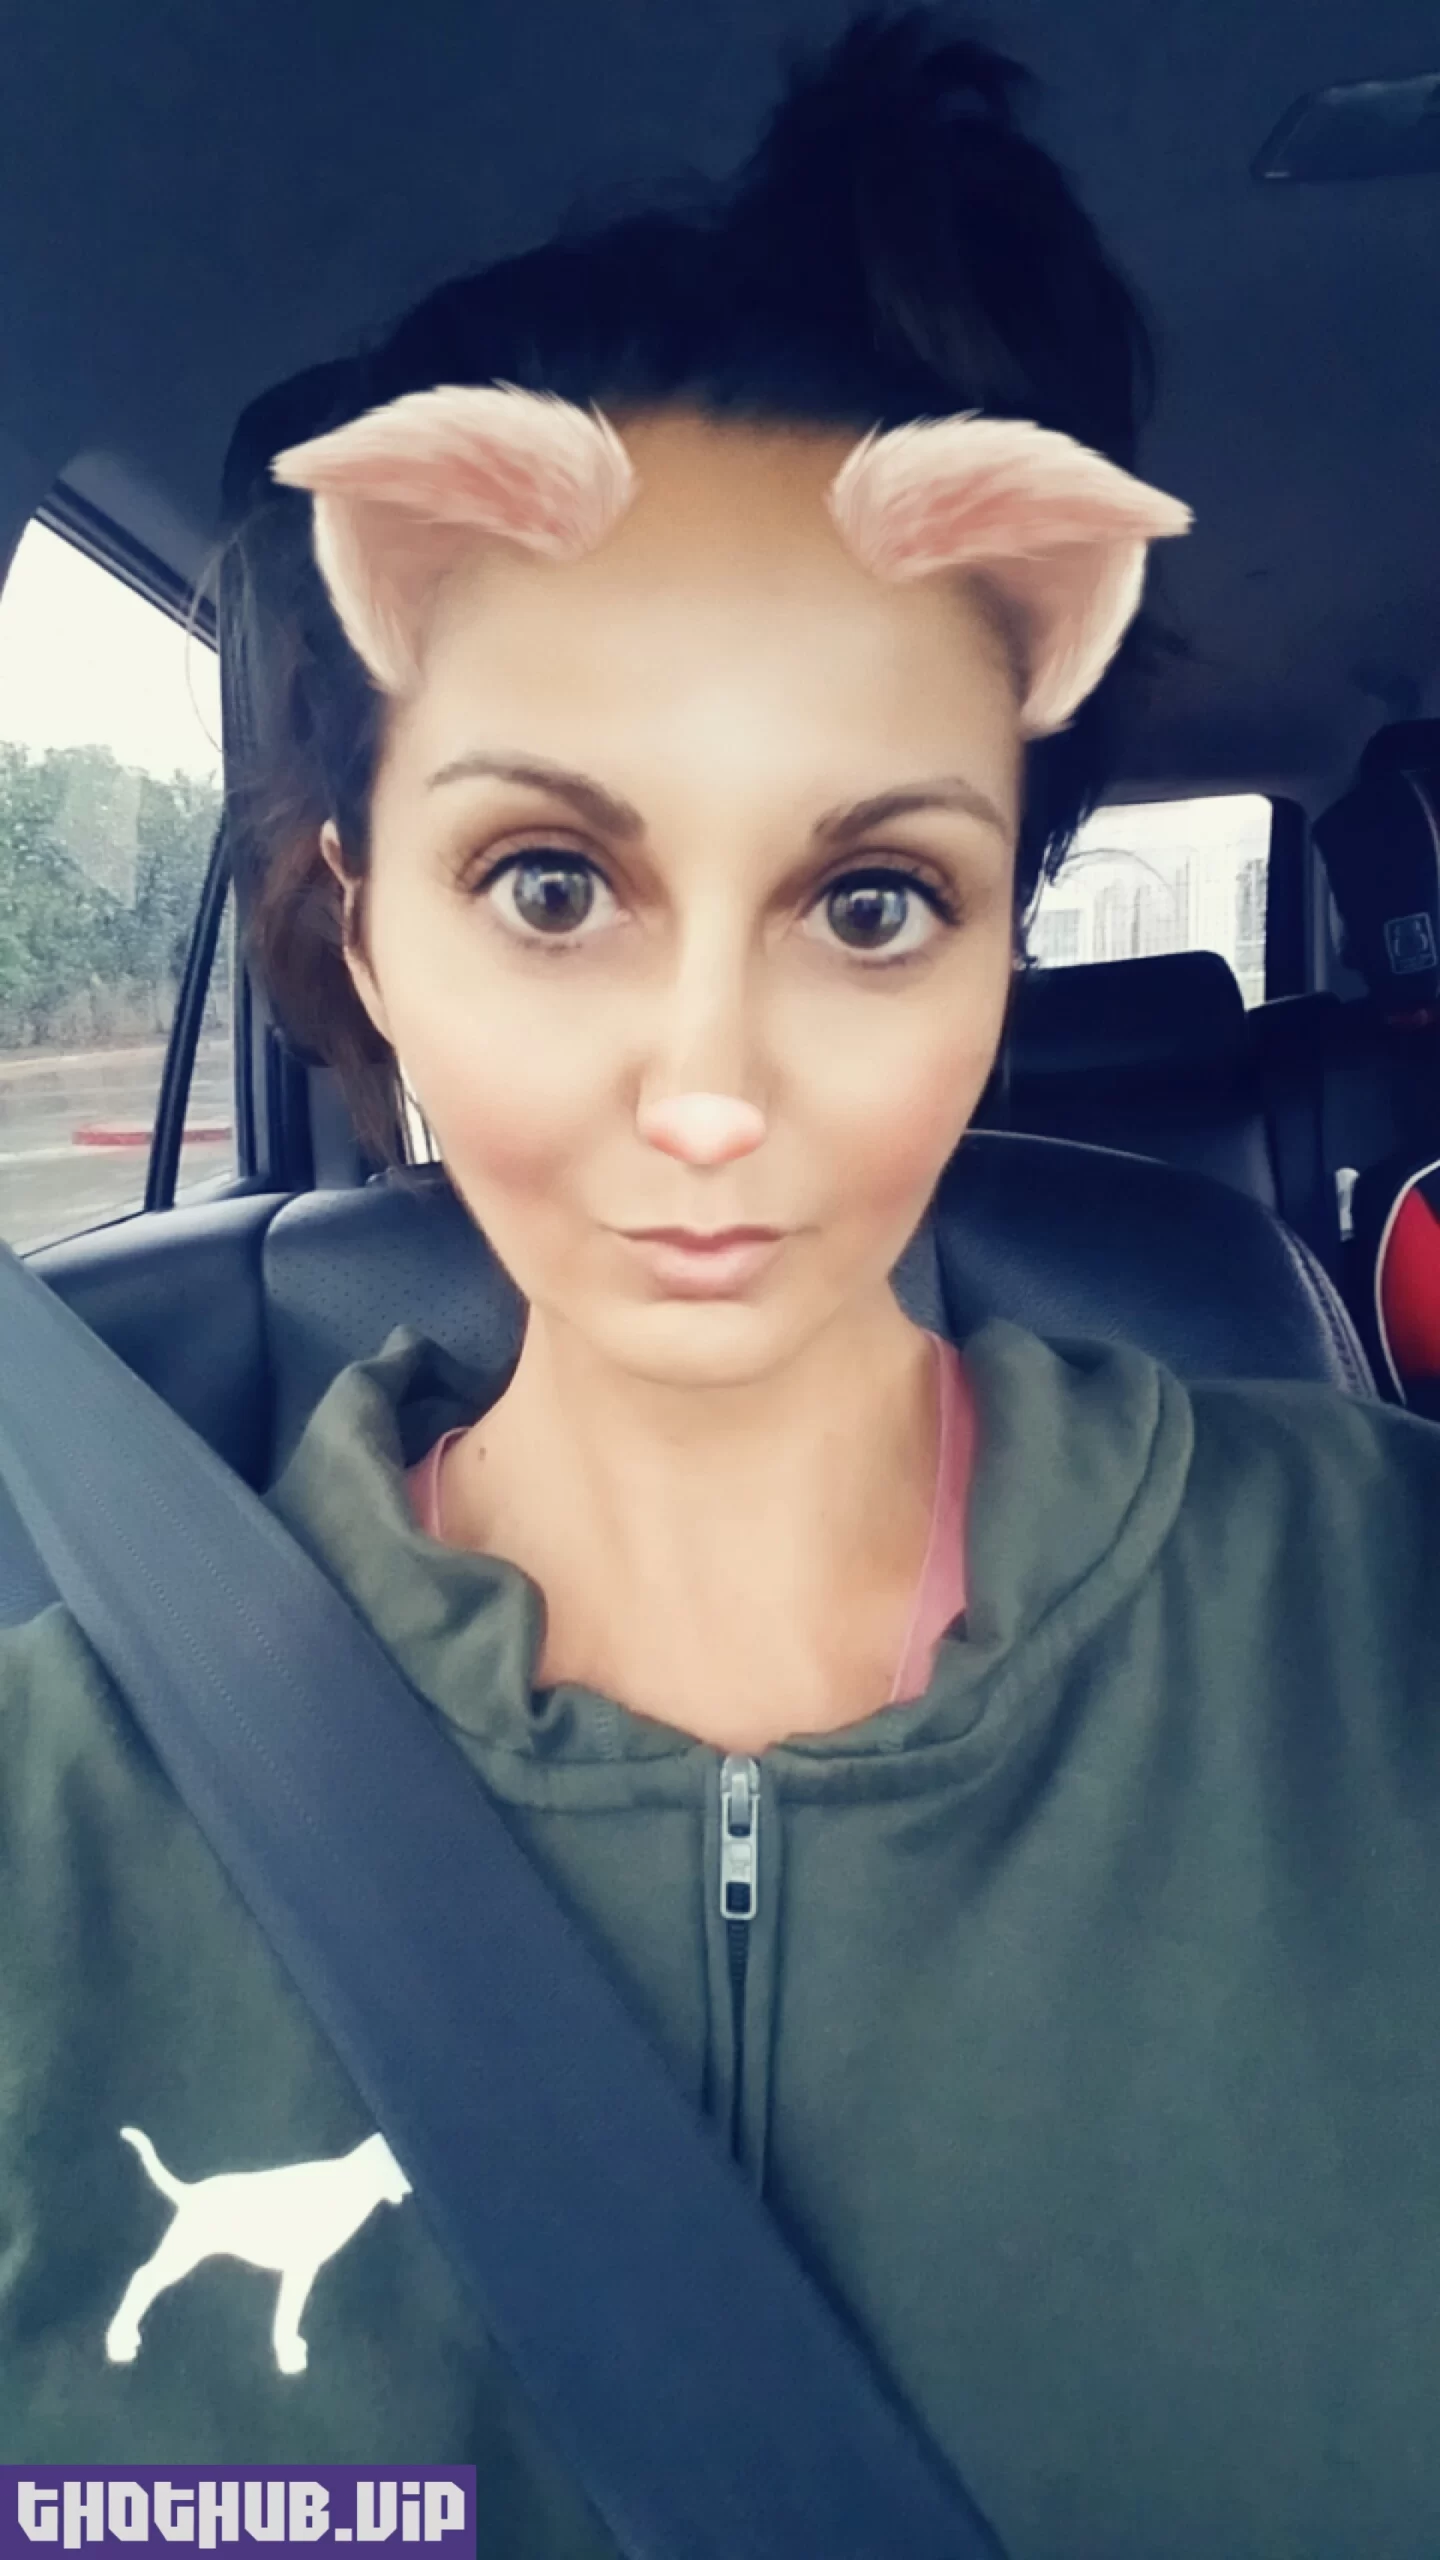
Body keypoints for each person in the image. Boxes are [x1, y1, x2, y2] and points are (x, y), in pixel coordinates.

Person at [3, 12, 1440, 2557]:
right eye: (554, 882)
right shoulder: (53, 1819)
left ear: (1000, 937)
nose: (708, 1087)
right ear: (369, 920)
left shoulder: (1383, 1628)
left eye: (870, 898)